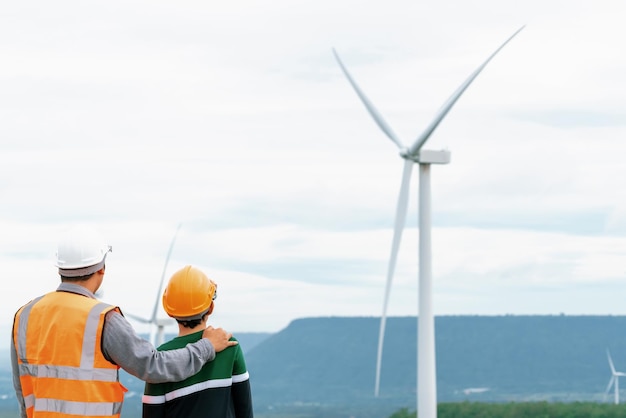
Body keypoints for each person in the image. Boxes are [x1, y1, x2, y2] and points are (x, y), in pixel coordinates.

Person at [11, 225, 238, 418]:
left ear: (60, 268)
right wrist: (206, 347)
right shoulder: (103, 318)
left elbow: (22, 390)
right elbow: (153, 366)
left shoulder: (25, 315)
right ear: (101, 269)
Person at [142, 265, 253, 418]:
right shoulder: (229, 346)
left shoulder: (160, 359)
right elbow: (245, 410)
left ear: (169, 311)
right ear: (211, 308)